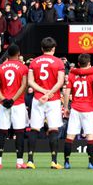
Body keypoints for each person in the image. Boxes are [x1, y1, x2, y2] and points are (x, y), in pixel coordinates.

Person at [27, 37, 66, 169]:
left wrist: (43, 92)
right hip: (53, 99)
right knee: (53, 128)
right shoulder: (59, 62)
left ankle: (30, 161)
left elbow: (30, 82)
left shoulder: (34, 62)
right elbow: (60, 82)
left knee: (34, 128)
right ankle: (54, 161)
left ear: (42, 49)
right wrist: (49, 93)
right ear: (54, 49)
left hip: (38, 98)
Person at [62, 54, 93, 170]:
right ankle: (91, 163)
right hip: (88, 110)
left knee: (70, 136)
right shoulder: (92, 75)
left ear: (79, 63)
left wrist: (66, 107)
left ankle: (66, 162)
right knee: (90, 136)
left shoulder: (72, 74)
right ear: (89, 63)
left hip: (75, 108)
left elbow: (66, 92)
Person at [0, 44, 29, 169]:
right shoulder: (23, 67)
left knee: (2, 131)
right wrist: (13, 99)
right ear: (18, 54)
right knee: (19, 132)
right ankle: (19, 162)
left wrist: (4, 99)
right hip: (17, 103)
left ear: (8, 54)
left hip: (4, 104)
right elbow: (24, 85)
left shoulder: (1, 67)